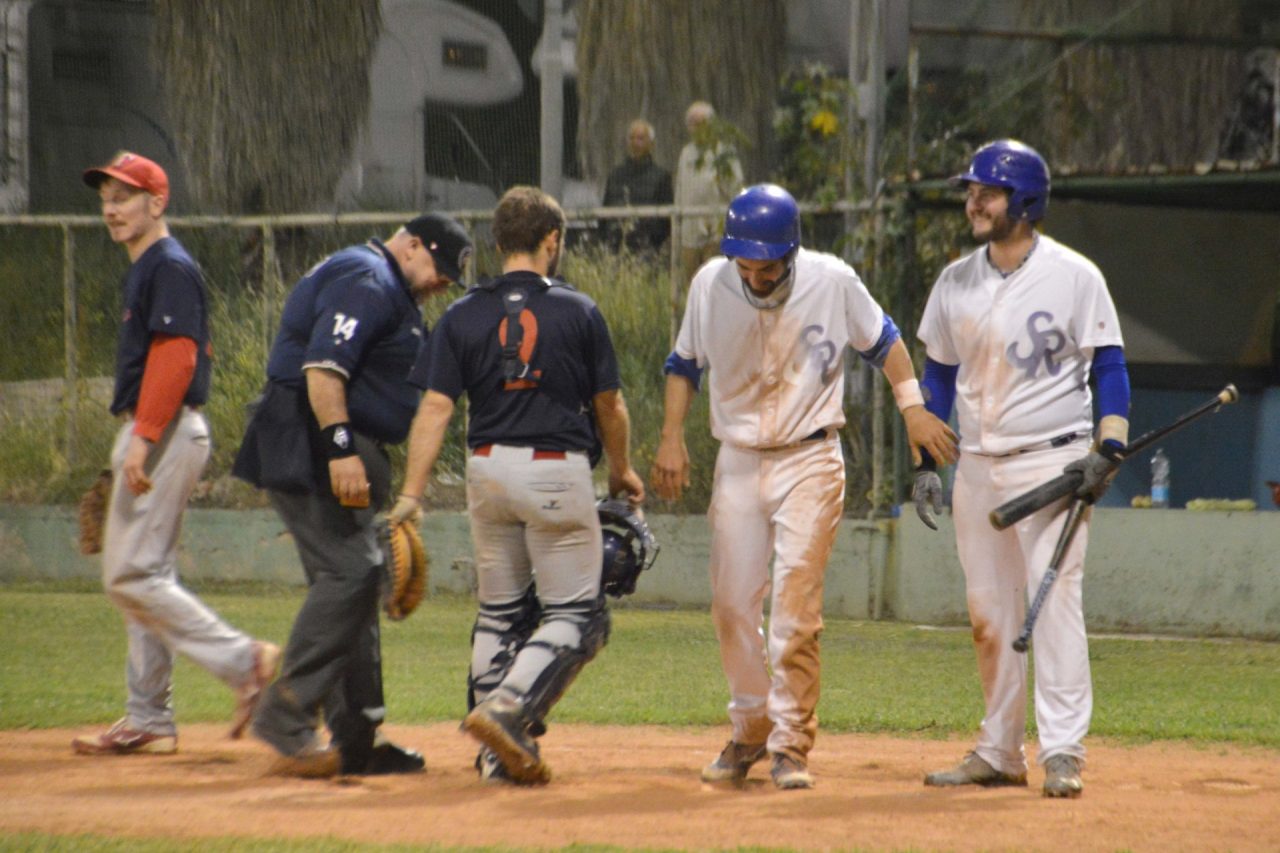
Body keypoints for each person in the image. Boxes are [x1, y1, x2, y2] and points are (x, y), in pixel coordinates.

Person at [651, 183, 958, 790]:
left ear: (790, 253)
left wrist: (913, 407)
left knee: (795, 606)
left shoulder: (831, 279)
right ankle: (751, 729)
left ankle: (791, 743)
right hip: (737, 458)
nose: (755, 276)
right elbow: (683, 364)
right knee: (731, 606)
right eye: (746, 264)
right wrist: (670, 436)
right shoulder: (711, 284)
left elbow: (885, 340)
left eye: (766, 267)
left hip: (810, 459)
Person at [387, 185, 645, 786]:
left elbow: (434, 409)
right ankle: (508, 711)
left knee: (499, 615)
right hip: (554, 468)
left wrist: (411, 495)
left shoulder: (461, 314)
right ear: (551, 242)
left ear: (497, 243)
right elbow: (610, 403)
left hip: (486, 472)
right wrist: (621, 469)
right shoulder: (578, 310)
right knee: (578, 616)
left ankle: (491, 758)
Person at [913, 139, 1130, 799]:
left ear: (1026, 201)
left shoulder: (1075, 274)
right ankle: (1000, 749)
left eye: (987, 191)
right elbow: (938, 377)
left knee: (1055, 603)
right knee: (991, 613)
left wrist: (1109, 447)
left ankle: (1062, 750)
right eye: (970, 190)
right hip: (976, 465)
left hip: (1054, 461)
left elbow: (1110, 365)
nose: (972, 201)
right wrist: (927, 462)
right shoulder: (955, 280)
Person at [232, 211, 473, 778]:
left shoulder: (387, 286)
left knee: (356, 585)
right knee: (352, 575)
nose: (443, 283)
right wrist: (341, 449)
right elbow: (323, 370)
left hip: (335, 441)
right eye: (439, 268)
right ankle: (285, 715)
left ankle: (357, 738)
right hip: (311, 436)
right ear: (412, 244)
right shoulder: (367, 278)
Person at [71, 151, 281, 756]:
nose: (111, 208)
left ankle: (245, 663)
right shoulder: (147, 266)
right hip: (157, 427)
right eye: (106, 198)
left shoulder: (169, 265)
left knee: (129, 574)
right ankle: (149, 718)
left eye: (125, 196)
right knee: (146, 575)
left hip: (162, 427)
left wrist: (140, 441)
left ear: (156, 203)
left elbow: (177, 355)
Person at [674, 101, 742, 286]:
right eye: (693, 123)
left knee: (715, 280)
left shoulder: (724, 152)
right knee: (692, 283)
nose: (697, 128)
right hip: (690, 228)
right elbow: (681, 190)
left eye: (701, 123)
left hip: (716, 228)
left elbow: (735, 188)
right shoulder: (686, 154)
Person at [600, 118, 673, 253]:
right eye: (632, 138)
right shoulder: (615, 175)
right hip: (616, 247)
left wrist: (653, 240)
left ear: (651, 144)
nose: (635, 143)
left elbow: (666, 221)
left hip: (647, 248)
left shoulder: (661, 177)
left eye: (640, 139)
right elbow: (605, 212)